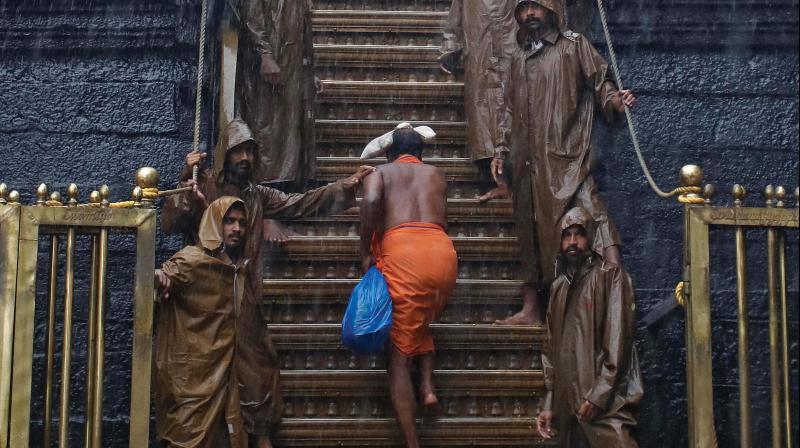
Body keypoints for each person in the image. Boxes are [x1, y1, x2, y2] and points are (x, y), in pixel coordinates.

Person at [161, 119, 374, 444]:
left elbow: (301, 203)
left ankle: (261, 436)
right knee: (199, 373)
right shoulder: (201, 184)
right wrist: (183, 177)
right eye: (237, 151)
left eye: (249, 151)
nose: (244, 158)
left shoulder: (258, 196)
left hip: (244, 295)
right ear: (224, 154)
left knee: (258, 369)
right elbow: (170, 223)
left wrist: (345, 186)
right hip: (204, 301)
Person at [488, 0, 637, 325]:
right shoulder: (517, 57)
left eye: (536, 7)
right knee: (528, 230)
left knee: (595, 218)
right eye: (524, 9)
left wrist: (615, 101)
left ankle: (618, 297)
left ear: (551, 11)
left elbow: (601, 82)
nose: (530, 14)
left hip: (568, 159)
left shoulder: (574, 46)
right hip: (526, 162)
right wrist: (501, 149)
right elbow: (508, 109)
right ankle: (532, 307)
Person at [359, 125, 458, 448]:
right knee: (418, 320)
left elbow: (372, 202)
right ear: (421, 153)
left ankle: (412, 443)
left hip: (405, 256)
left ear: (390, 153)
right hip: (443, 256)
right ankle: (427, 389)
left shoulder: (381, 172)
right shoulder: (438, 175)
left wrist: (364, 251)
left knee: (398, 353)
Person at [154, 196, 272, 447]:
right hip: (192, 382)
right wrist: (157, 277)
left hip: (226, 381)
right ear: (214, 223)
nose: (237, 228)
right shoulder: (191, 260)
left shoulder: (240, 270)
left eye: (242, 222)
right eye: (229, 221)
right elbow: (164, 276)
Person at [537, 207, 642, 447]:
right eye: (567, 235)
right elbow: (550, 350)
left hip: (606, 406)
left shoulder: (612, 276)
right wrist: (549, 404)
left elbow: (618, 343)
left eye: (579, 234)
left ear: (591, 237)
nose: (572, 242)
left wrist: (598, 396)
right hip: (566, 408)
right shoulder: (558, 288)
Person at [230, 0, 321, 186]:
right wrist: (265, 54)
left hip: (292, 67)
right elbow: (252, 17)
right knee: (267, 124)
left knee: (289, 127)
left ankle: (289, 182)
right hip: (269, 62)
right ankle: (266, 183)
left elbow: (303, 28)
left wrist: (308, 72)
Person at [440, 0, 518, 201]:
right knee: (484, 116)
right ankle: (500, 181)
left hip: (513, 51)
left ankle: (513, 179)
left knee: (514, 107)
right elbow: (455, 17)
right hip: (480, 54)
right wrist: (450, 48)